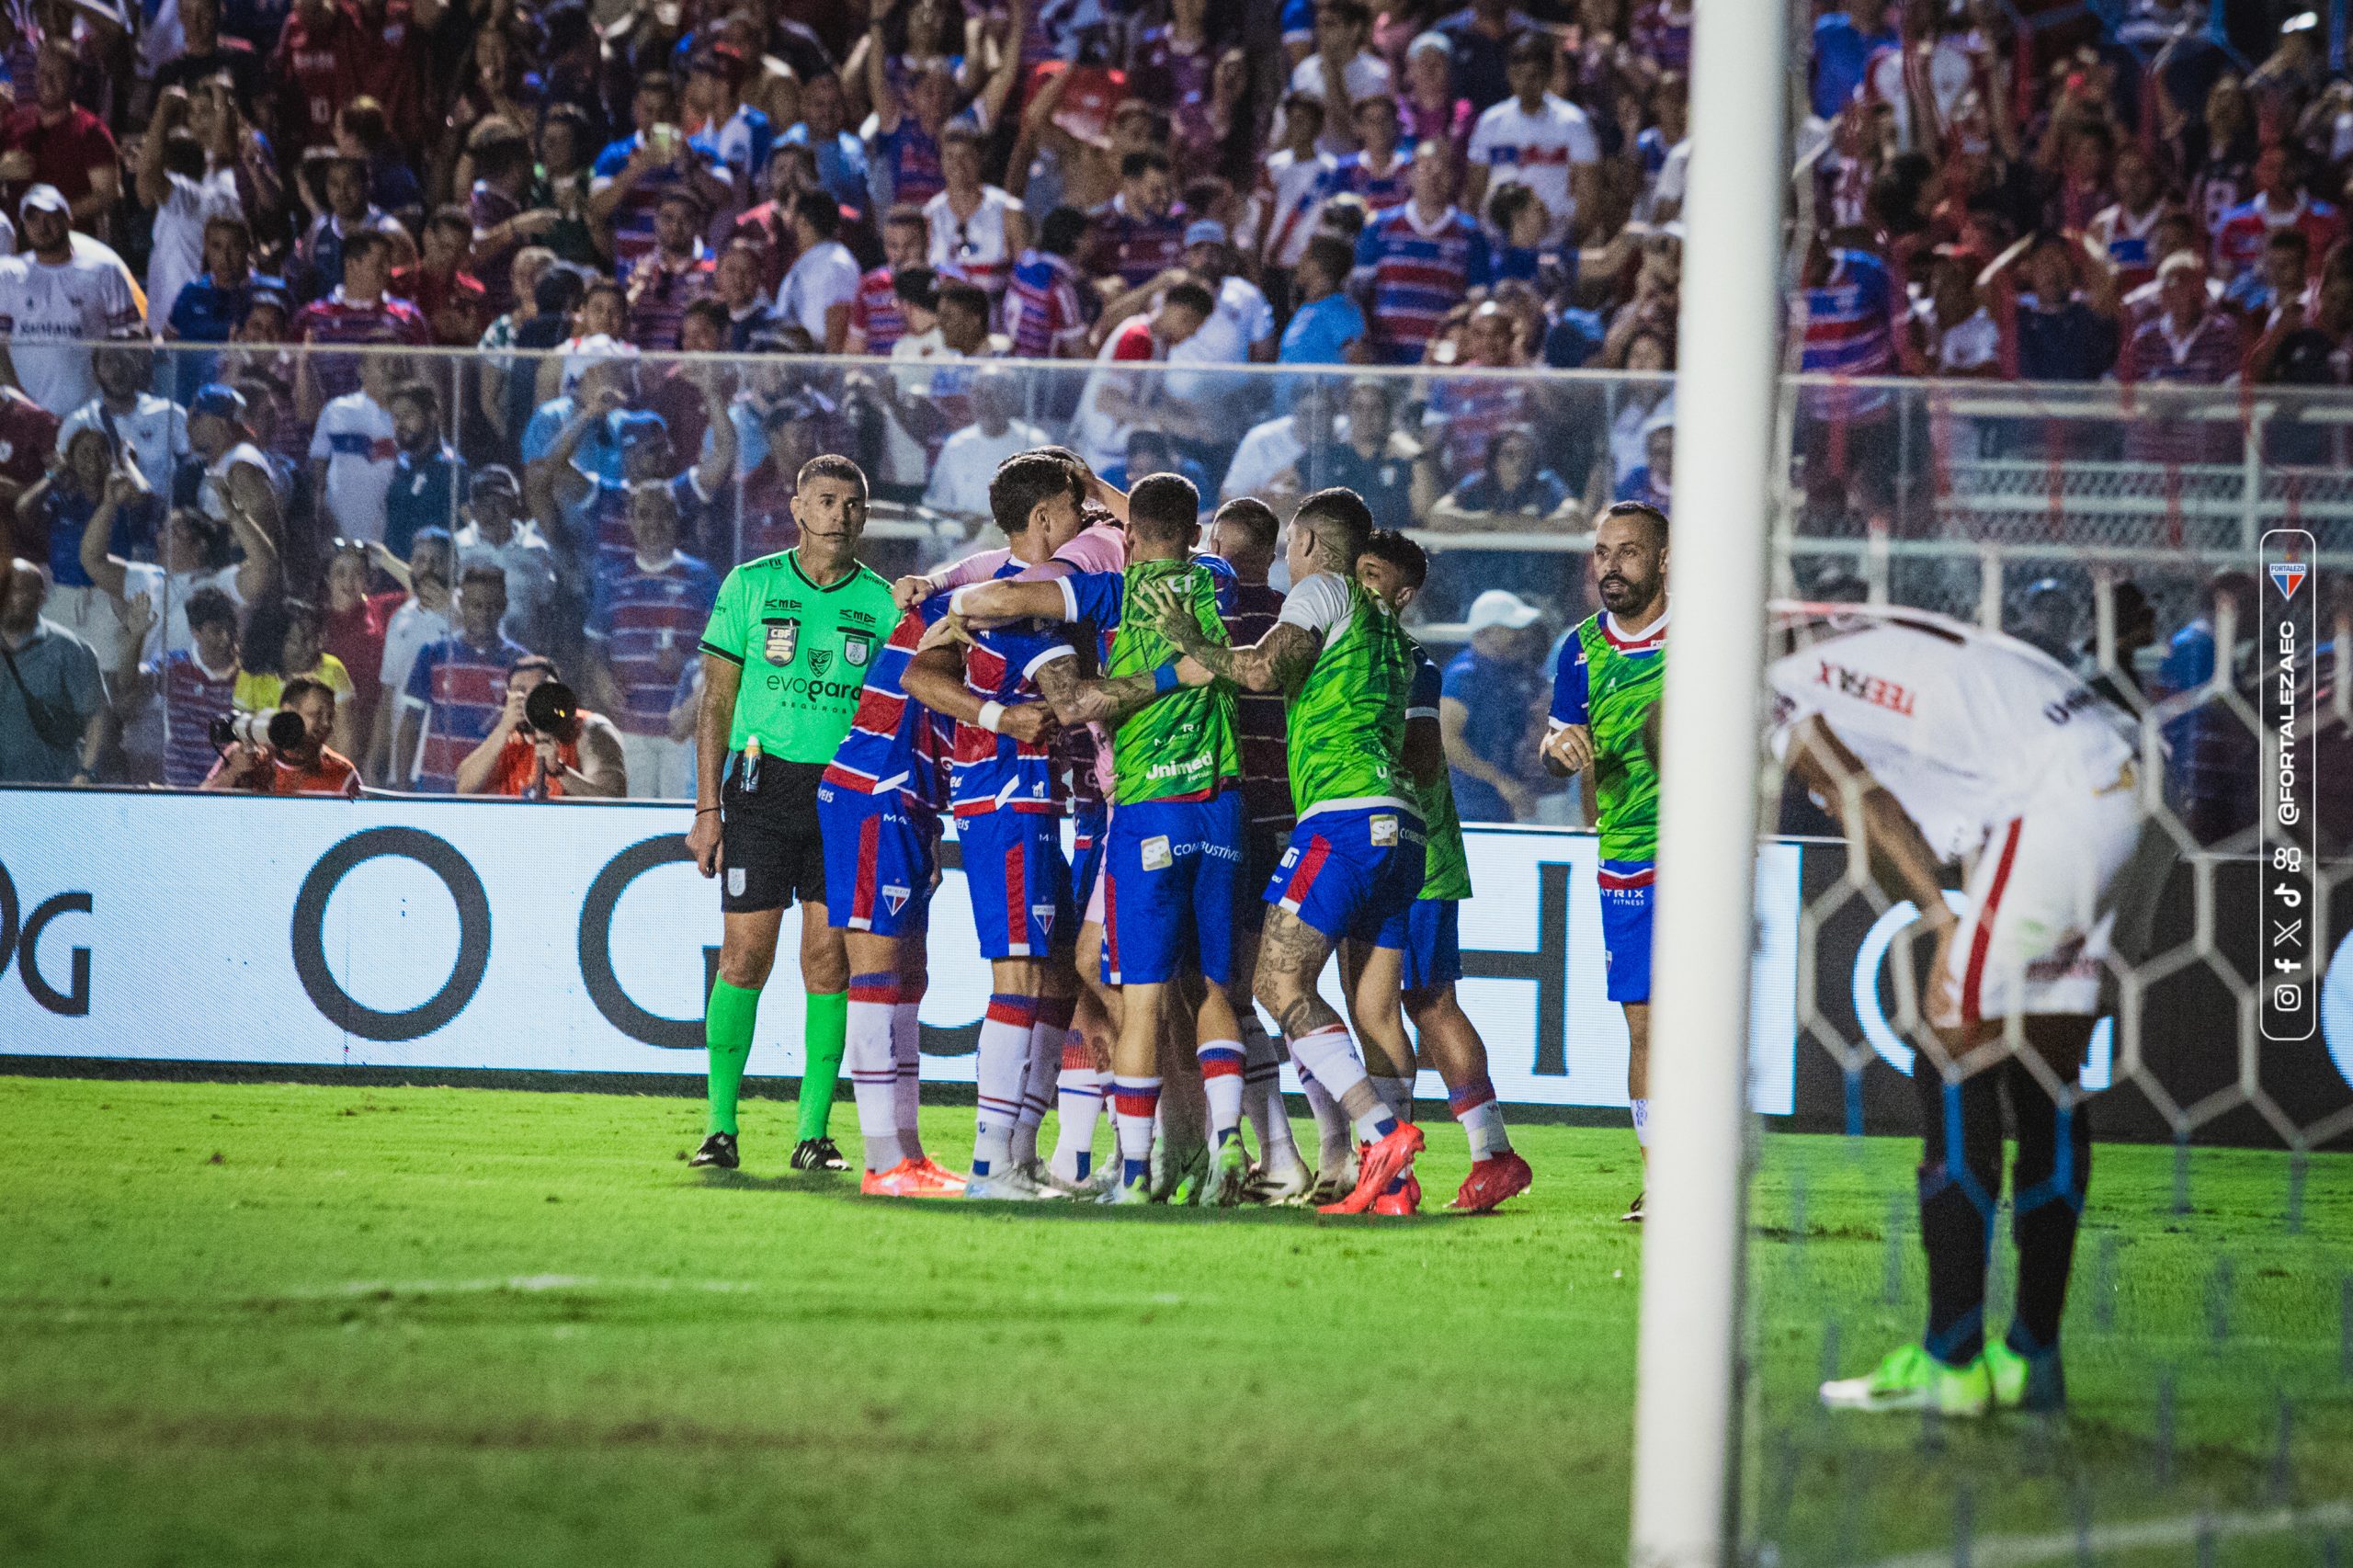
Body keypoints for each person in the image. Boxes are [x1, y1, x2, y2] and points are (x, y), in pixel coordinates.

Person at [1792, 603, 2143, 1417]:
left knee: (1952, 1050)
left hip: (2054, 800)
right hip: (2120, 774)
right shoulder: (1833, 632)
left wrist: (1943, 917)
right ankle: (2032, 1357)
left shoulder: (1767, 689)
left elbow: (1862, 798)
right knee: (2045, 1069)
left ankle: (1951, 1359)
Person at [949, 472, 1254, 1205]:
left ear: (1131, 539)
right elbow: (1166, 524)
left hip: (1148, 807)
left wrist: (954, 600)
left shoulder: (1113, 592)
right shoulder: (1217, 580)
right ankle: (1225, 1146)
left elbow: (1007, 598)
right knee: (1207, 987)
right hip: (1223, 806)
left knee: (1139, 993)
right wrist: (1109, 495)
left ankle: (1141, 1166)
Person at [1141, 485, 1427, 1215]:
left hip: (1343, 815)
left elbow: (1265, 672)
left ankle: (1380, 1132)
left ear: (1303, 544)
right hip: (1402, 825)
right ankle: (1388, 1182)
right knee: (1374, 1007)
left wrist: (1193, 641)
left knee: (1274, 984)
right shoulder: (1390, 627)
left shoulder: (1323, 588)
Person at [685, 454, 899, 1174]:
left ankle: (814, 1133)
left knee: (827, 960)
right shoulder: (751, 586)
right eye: (827, 501)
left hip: (845, 798)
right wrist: (707, 809)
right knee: (746, 954)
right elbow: (714, 703)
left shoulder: (883, 603)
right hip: (760, 791)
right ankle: (719, 1128)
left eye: (853, 504)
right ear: (798, 508)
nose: (841, 514)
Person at [894, 450, 1086, 1198]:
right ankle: (987, 1163)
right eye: (1072, 510)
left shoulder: (1012, 593)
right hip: (1003, 798)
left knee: (1047, 976)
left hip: (1035, 802)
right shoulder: (1000, 598)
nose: (1082, 522)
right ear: (1043, 519)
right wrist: (1002, 715)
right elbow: (917, 672)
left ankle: (1018, 1153)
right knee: (1016, 976)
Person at [1352, 528, 1533, 1213]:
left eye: (1372, 575)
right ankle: (1448, 1157)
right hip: (1394, 848)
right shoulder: (1367, 655)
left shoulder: (1415, 667)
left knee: (1425, 1002)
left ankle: (1468, 1158)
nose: (1358, 586)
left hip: (1415, 853)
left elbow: (1428, 758)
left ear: (1402, 595)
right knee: (1399, 1003)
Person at [1540, 501, 1668, 1221]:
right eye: (1601, 553)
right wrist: (1559, 753)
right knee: (1645, 1026)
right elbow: (1559, 741)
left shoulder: (1704, 633)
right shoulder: (1581, 648)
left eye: (1627, 553)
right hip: (1625, 858)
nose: (1610, 566)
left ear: (1663, 561)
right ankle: (1663, 1182)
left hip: (1700, 854)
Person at [584, 483, 721, 798]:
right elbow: (593, 651)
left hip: (684, 732)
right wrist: (601, 679)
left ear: (677, 519)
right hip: (630, 729)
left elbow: (724, 651)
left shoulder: (702, 578)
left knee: (678, 826)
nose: (654, 524)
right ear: (630, 520)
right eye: (644, 515)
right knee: (636, 826)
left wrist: (685, 664)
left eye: (664, 515)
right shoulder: (612, 579)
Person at [0, 187, 145, 418]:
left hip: (93, 414)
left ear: (68, 219)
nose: (42, 225)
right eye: (33, 218)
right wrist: (18, 404)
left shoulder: (104, 270)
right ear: (23, 225)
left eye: (50, 216)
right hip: (28, 420)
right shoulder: (7, 275)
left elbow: (130, 340)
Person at [1354, 140, 1491, 364]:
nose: (1433, 177)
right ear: (1410, 175)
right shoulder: (1378, 226)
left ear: (1454, 178)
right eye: (1426, 168)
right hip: (1385, 362)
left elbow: (1476, 302)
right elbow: (1359, 297)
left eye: (1442, 170)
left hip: (1441, 365)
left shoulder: (1471, 234)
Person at [396, 564, 528, 793]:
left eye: (492, 606)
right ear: (462, 604)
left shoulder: (520, 663)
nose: (484, 614)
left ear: (504, 607)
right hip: (437, 789)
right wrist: (402, 787)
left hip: (493, 791)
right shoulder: (434, 654)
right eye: (477, 605)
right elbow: (410, 724)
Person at [1464, 32, 1598, 244]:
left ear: (1547, 76)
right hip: (1499, 245)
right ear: (1509, 73)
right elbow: (1475, 192)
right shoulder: (1490, 122)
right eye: (1519, 74)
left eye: (1534, 75)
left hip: (1555, 242)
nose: (1526, 83)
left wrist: (1567, 246)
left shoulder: (1573, 123)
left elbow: (1588, 198)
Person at [1440, 588, 1551, 824]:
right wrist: (1498, 780)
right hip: (1469, 808)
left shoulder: (1519, 671)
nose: (1522, 634)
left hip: (1512, 806)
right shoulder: (1463, 677)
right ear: (1483, 634)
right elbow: (1447, 740)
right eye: (1511, 628)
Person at [454, 654, 626, 798]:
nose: (532, 699)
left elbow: (613, 802)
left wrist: (559, 770)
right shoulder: (507, 735)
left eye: (540, 690)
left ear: (558, 693)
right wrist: (503, 729)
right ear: (509, 698)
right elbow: (464, 789)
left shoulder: (590, 729)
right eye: (521, 691)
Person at [0, 555, 106, 784]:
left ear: (41, 598)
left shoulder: (70, 649)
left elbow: (96, 716)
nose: (7, 597)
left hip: (50, 789)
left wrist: (86, 772)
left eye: (17, 590)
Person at [233, 595, 358, 757]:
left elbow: (345, 736)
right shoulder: (251, 676)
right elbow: (241, 734)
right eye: (298, 641)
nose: (311, 646)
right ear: (279, 643)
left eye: (313, 637)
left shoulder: (333, 670)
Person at [198, 674, 360, 797]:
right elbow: (196, 803)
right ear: (288, 711)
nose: (326, 724)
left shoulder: (342, 774)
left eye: (330, 717)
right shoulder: (243, 752)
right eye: (316, 715)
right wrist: (233, 772)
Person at [451, 466, 556, 652]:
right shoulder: (456, 547)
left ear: (515, 505)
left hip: (521, 657)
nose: (492, 512)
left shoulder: (536, 549)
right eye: (484, 504)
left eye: (500, 503)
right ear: (473, 508)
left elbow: (547, 611)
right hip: (467, 656)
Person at [923, 369, 1048, 521]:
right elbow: (939, 506)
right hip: (965, 541)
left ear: (1012, 399)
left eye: (995, 394)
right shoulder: (956, 445)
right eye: (979, 394)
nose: (986, 403)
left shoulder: (1035, 444)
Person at [155, 585, 244, 788]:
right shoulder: (173, 666)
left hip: (229, 790)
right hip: (181, 791)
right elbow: (129, 686)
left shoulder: (248, 675)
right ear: (196, 632)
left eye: (230, 629)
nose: (226, 638)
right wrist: (136, 635)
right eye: (217, 630)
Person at [381, 381, 464, 559]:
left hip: (431, 575)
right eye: (396, 417)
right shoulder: (400, 465)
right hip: (394, 576)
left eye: (409, 415)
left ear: (432, 415)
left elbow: (463, 532)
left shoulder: (451, 468)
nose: (401, 423)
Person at [773, 188, 861, 351]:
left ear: (803, 221)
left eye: (791, 213)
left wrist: (830, 371)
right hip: (795, 362)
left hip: (817, 366)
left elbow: (839, 319)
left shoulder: (836, 263)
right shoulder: (810, 260)